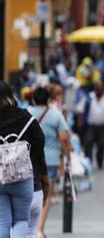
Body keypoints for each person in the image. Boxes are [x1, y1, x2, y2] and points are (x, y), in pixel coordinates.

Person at [0, 81, 48, 238]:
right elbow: (40, 141)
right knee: (21, 220)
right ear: (9, 97)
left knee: (2, 222)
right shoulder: (25, 117)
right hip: (22, 177)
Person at [28, 87, 72, 238]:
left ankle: (29, 229)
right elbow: (64, 138)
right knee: (45, 195)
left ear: (33, 99)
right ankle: (40, 230)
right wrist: (68, 157)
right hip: (51, 160)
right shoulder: (55, 114)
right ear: (48, 99)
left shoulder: (26, 113)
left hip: (30, 159)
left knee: (30, 193)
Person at [77, 81, 104, 169]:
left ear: (103, 88)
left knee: (101, 144)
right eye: (97, 87)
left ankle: (100, 162)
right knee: (88, 142)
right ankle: (88, 161)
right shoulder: (88, 98)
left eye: (101, 87)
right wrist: (80, 124)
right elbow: (80, 111)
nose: (99, 89)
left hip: (102, 127)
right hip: (90, 126)